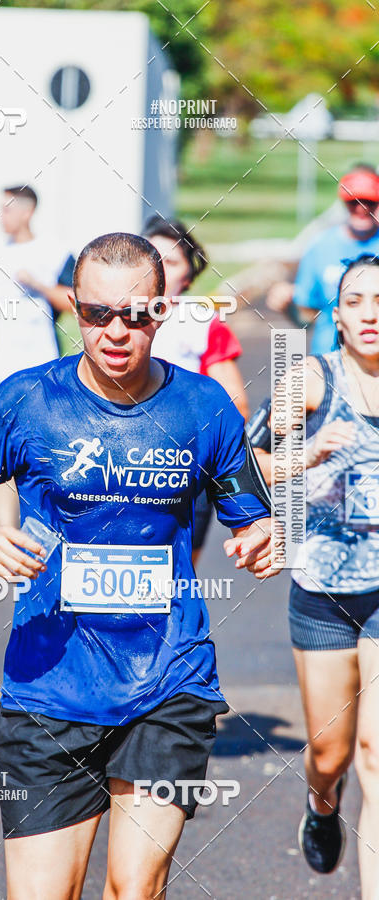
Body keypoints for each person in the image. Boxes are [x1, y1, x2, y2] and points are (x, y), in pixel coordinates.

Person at [0, 232, 281, 900]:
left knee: (134, 890)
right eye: (97, 313)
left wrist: (264, 537)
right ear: (74, 308)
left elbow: (254, 511)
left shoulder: (204, 407)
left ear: (162, 311)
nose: (116, 331)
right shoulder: (27, 401)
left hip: (169, 679)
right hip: (49, 690)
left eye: (135, 314)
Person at [254, 254, 379, 894]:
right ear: (336, 314)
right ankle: (320, 803)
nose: (371, 313)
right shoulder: (306, 377)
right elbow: (250, 464)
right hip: (326, 588)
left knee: (376, 757)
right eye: (356, 301)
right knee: (330, 756)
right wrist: (304, 458)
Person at [142, 216, 250, 565]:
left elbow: (235, 404)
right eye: (150, 257)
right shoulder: (115, 316)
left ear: (188, 276)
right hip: (116, 457)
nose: (157, 268)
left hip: (182, 468)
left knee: (175, 574)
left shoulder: (202, 321)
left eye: (170, 262)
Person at [0, 184, 76, 527]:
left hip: (43, 369)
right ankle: (6, 532)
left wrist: (39, 285)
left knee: (43, 453)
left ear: (27, 211)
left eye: (8, 208)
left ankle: (43, 529)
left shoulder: (56, 252)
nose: (2, 216)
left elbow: (75, 303)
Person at [266, 164, 379, 355]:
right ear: (343, 202)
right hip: (330, 361)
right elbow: (306, 320)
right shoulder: (320, 247)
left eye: (369, 201)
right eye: (354, 201)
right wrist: (287, 306)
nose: (361, 208)